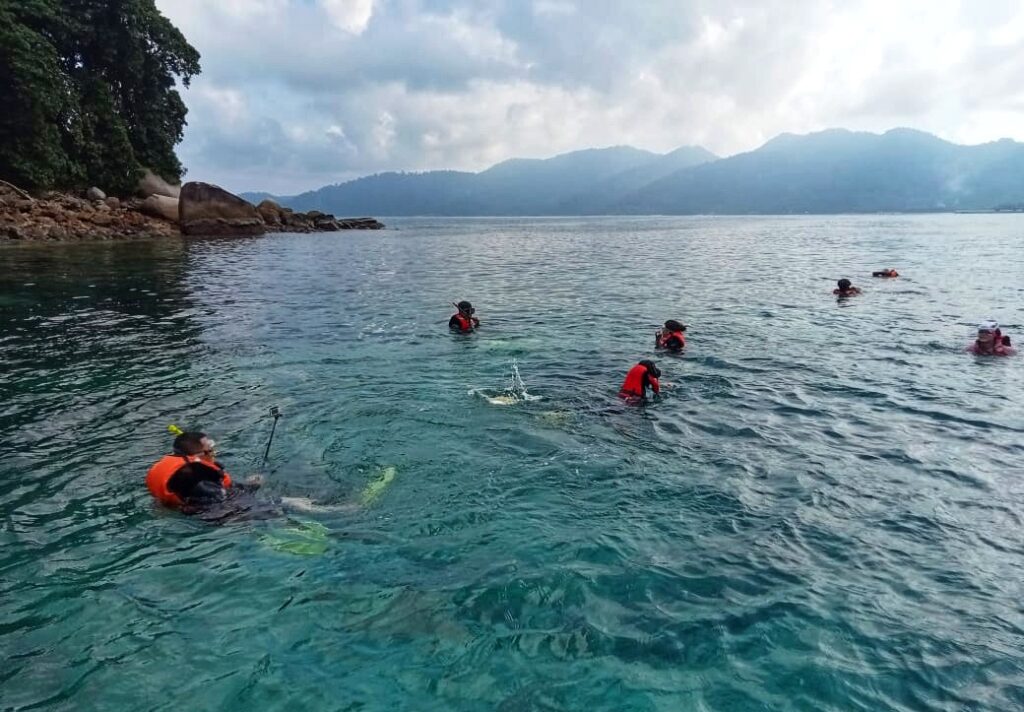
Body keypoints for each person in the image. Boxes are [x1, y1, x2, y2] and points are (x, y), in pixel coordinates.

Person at [146, 431, 261, 513]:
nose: (213, 453)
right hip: (217, 517)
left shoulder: (168, 465)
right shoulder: (198, 476)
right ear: (198, 455)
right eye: (209, 451)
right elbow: (223, 501)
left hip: (173, 506)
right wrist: (252, 486)